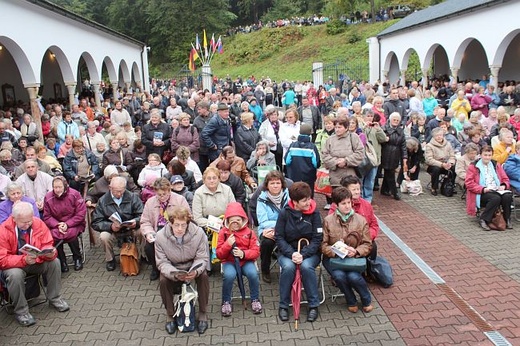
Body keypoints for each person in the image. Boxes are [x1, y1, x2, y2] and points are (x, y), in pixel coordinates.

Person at [0, 202, 69, 326]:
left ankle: (55, 298)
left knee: (54, 262)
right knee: (15, 275)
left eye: (29, 220)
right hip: (14, 266)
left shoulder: (38, 223)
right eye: (24, 222)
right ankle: (21, 311)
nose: (28, 224)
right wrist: (23, 260)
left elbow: (47, 243)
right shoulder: (3, 230)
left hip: (35, 261)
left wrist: (50, 253)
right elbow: (2, 259)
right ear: (14, 219)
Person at [155, 206, 210, 335]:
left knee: (204, 276)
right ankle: (170, 314)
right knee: (163, 280)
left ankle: (202, 313)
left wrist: (195, 271)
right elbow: (162, 262)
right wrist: (173, 274)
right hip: (173, 268)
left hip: (192, 266)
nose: (180, 229)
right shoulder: (160, 236)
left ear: (188, 223)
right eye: (177, 225)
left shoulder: (199, 233)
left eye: (183, 225)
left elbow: (202, 257)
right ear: (170, 223)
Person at [275, 182, 322, 323]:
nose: (309, 202)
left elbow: (317, 238)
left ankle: (313, 305)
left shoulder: (315, 213)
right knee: (288, 267)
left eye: (309, 198)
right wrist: (291, 253)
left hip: (309, 252)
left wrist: (304, 254)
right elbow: (279, 237)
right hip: (288, 252)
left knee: (306, 267)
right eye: (305, 200)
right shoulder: (284, 213)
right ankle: (284, 305)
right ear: (295, 202)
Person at [321, 187, 373, 313]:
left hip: (353, 257)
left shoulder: (360, 220)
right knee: (339, 276)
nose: (347, 206)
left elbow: (367, 244)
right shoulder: (328, 221)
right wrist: (337, 250)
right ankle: (351, 300)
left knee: (353, 276)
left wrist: (356, 251)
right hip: (334, 258)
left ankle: (366, 299)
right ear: (336, 205)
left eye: (349, 202)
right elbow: (322, 245)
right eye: (343, 203)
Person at [216, 202, 262, 316]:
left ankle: (255, 299)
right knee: (229, 275)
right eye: (232, 220)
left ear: (243, 219)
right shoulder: (223, 233)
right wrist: (227, 244)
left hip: (245, 261)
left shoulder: (250, 233)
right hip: (229, 262)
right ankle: (226, 301)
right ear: (227, 221)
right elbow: (219, 254)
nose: (235, 223)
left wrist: (243, 254)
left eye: (238, 219)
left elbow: (256, 251)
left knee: (253, 274)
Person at [140, 177, 190, 281]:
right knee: (149, 247)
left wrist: (177, 229)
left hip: (174, 230)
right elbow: (145, 221)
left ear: (169, 190)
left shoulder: (180, 200)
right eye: (159, 195)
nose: (162, 197)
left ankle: (175, 268)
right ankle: (155, 268)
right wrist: (149, 233)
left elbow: (188, 218)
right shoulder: (150, 202)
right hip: (156, 230)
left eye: (165, 194)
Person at [91, 177, 144, 271]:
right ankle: (110, 259)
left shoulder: (132, 197)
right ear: (110, 188)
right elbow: (96, 222)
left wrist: (136, 222)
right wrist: (110, 226)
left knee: (143, 231)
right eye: (116, 191)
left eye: (122, 191)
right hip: (113, 230)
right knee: (104, 236)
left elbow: (142, 214)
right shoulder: (103, 201)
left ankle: (144, 255)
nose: (119, 194)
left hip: (131, 228)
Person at [43, 176, 86, 273]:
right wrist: (58, 224)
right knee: (54, 236)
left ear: (65, 186)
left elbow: (81, 213)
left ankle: (77, 258)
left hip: (74, 223)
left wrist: (67, 224)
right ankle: (62, 261)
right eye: (55, 187)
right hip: (57, 225)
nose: (57, 190)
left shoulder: (75, 194)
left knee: (70, 234)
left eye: (60, 187)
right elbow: (47, 216)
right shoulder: (48, 197)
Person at [465, 145, 513, 230]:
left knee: (507, 196)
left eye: (489, 155)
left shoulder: (496, 164)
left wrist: (503, 185)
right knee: (495, 198)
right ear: (480, 155)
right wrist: (483, 189)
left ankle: (507, 218)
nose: (487, 157)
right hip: (482, 192)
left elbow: (505, 179)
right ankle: (484, 219)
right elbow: (469, 183)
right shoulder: (473, 166)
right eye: (485, 155)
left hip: (496, 189)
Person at [256, 170, 289, 283]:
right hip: (267, 230)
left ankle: (290, 269)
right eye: (272, 183)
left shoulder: (289, 196)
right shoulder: (261, 199)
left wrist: (281, 227)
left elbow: (291, 216)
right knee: (267, 243)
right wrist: (280, 225)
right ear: (267, 185)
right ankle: (265, 270)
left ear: (282, 184)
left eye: (278, 183)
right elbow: (263, 221)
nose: (275, 186)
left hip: (286, 229)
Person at [322, 115, 365, 187]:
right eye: (336, 127)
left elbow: (360, 153)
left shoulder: (353, 137)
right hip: (334, 178)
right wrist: (335, 162)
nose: (337, 130)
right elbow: (324, 155)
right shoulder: (330, 140)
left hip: (350, 178)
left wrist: (346, 161)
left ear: (346, 128)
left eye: (340, 127)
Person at [284, 123, 321, 193]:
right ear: (310, 133)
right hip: (308, 176)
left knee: (294, 193)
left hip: (294, 175)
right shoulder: (312, 147)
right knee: (308, 193)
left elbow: (287, 161)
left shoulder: (293, 145)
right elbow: (316, 163)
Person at [380, 112, 407, 200]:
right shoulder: (384, 129)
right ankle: (394, 192)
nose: (395, 121)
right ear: (390, 120)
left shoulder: (401, 131)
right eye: (394, 120)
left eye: (397, 120)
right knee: (390, 173)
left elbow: (403, 145)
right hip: (385, 154)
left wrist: (404, 158)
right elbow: (379, 140)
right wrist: (384, 139)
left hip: (395, 155)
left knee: (389, 172)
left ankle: (384, 190)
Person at [259, 105, 284, 169]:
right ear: (268, 116)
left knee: (279, 164)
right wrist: (268, 142)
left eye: (275, 114)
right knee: (271, 166)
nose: (273, 116)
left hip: (280, 148)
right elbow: (260, 136)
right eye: (271, 115)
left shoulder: (281, 124)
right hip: (270, 149)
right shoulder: (264, 124)